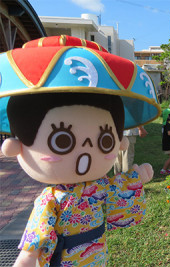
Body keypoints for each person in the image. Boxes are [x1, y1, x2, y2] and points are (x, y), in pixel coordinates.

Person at [0, 35, 158, 266]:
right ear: (17, 147)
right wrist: (28, 256)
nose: (85, 151)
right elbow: (37, 233)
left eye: (105, 140)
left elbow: (117, 190)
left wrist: (136, 178)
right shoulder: (51, 199)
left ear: (118, 141)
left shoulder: (98, 187)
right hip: (63, 258)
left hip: (97, 252)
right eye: (61, 141)